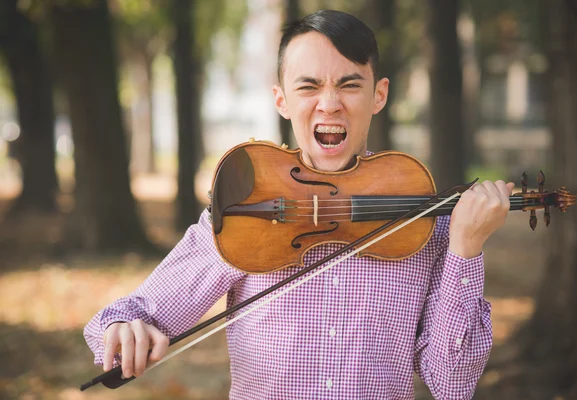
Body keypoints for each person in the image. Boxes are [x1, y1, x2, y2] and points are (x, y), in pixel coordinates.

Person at [84, 9, 514, 399]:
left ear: (379, 95)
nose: (329, 103)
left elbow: (451, 382)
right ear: (281, 99)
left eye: (350, 84)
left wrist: (465, 249)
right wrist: (123, 330)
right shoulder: (247, 211)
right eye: (308, 86)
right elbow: (131, 313)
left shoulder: (421, 225)